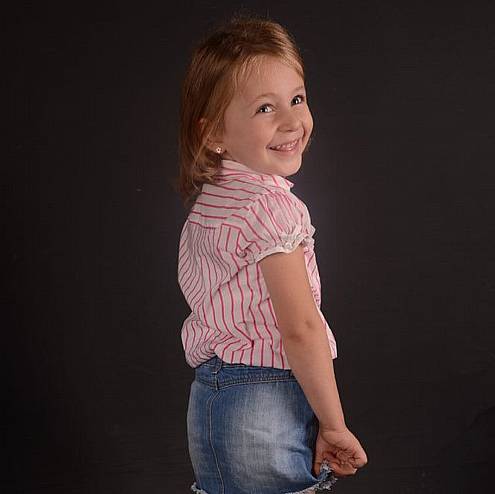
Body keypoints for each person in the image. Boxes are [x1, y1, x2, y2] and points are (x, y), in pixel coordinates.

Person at [175, 11, 368, 494]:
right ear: (213, 134)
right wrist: (333, 423)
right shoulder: (271, 207)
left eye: (296, 99)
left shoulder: (213, 200)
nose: (291, 121)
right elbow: (300, 328)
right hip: (265, 400)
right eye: (265, 108)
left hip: (212, 399)